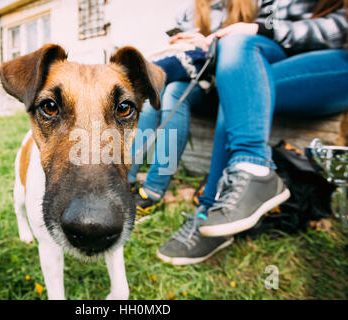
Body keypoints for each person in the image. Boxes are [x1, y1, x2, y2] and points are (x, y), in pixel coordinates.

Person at [158, 0, 348, 265]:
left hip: (335, 61)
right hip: (286, 55)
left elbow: (338, 27)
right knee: (237, 72)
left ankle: (210, 206)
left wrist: (263, 29)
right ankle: (246, 175)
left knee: (240, 82)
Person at [130, 0, 262, 223]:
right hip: (198, 81)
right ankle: (124, 177)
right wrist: (184, 39)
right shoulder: (192, 9)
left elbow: (263, 41)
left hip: (230, 84)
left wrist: (214, 41)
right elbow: (178, 44)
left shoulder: (256, 6)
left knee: (173, 94)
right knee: (161, 94)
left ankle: (152, 192)